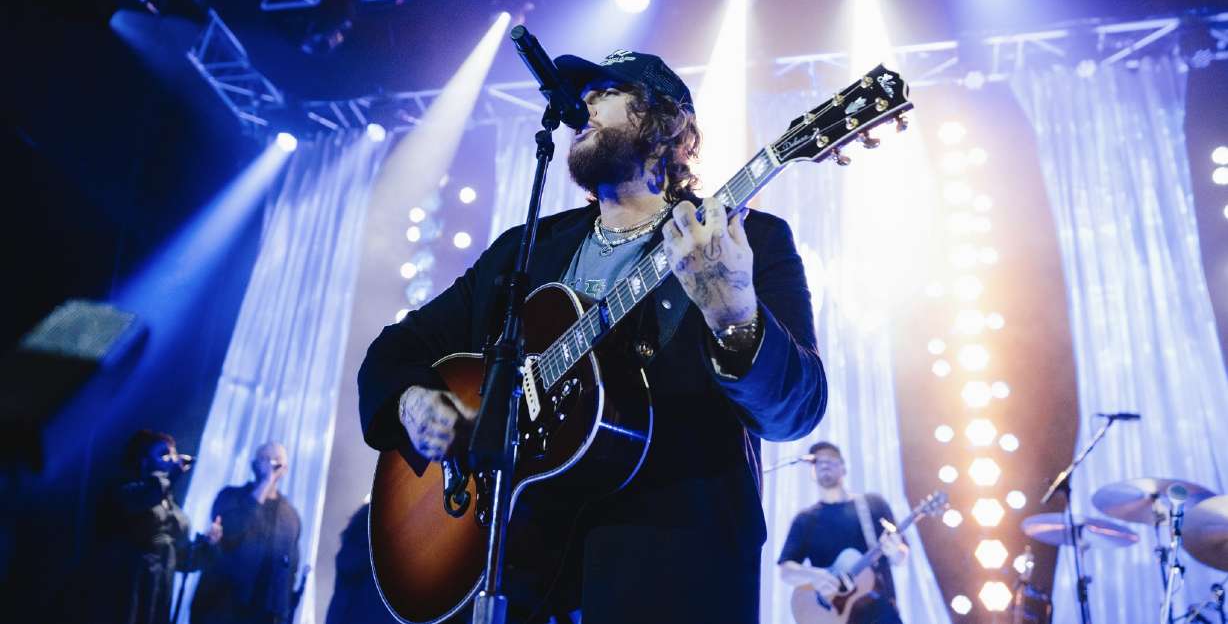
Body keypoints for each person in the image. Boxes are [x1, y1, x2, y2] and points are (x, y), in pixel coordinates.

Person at [358, 48, 827, 623]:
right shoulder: (523, 251)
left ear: (668, 123)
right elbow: (396, 350)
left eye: (607, 93)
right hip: (520, 576)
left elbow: (797, 409)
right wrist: (411, 401)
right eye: (583, 97)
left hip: (673, 573)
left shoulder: (745, 240)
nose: (585, 106)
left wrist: (735, 317)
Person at [96, 429, 221, 624]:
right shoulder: (126, 489)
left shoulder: (170, 504)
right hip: (129, 583)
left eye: (173, 454)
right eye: (164, 454)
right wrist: (169, 477)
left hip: (158, 589)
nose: (172, 459)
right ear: (143, 460)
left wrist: (207, 543)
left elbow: (182, 559)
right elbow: (143, 501)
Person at [778, 441, 909, 624]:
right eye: (817, 461)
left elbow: (901, 556)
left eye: (831, 459)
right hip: (833, 617)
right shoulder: (805, 519)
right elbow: (786, 571)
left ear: (844, 468)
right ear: (812, 472)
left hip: (881, 615)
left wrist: (894, 550)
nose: (824, 464)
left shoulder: (873, 504)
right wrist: (815, 576)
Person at [191, 442, 302, 624]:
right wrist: (265, 483)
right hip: (222, 606)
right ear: (254, 464)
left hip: (263, 613)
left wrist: (283, 613)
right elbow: (232, 530)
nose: (271, 464)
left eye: (277, 460)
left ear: (285, 469)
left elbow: (290, 569)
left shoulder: (290, 515)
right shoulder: (230, 496)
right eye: (265, 459)